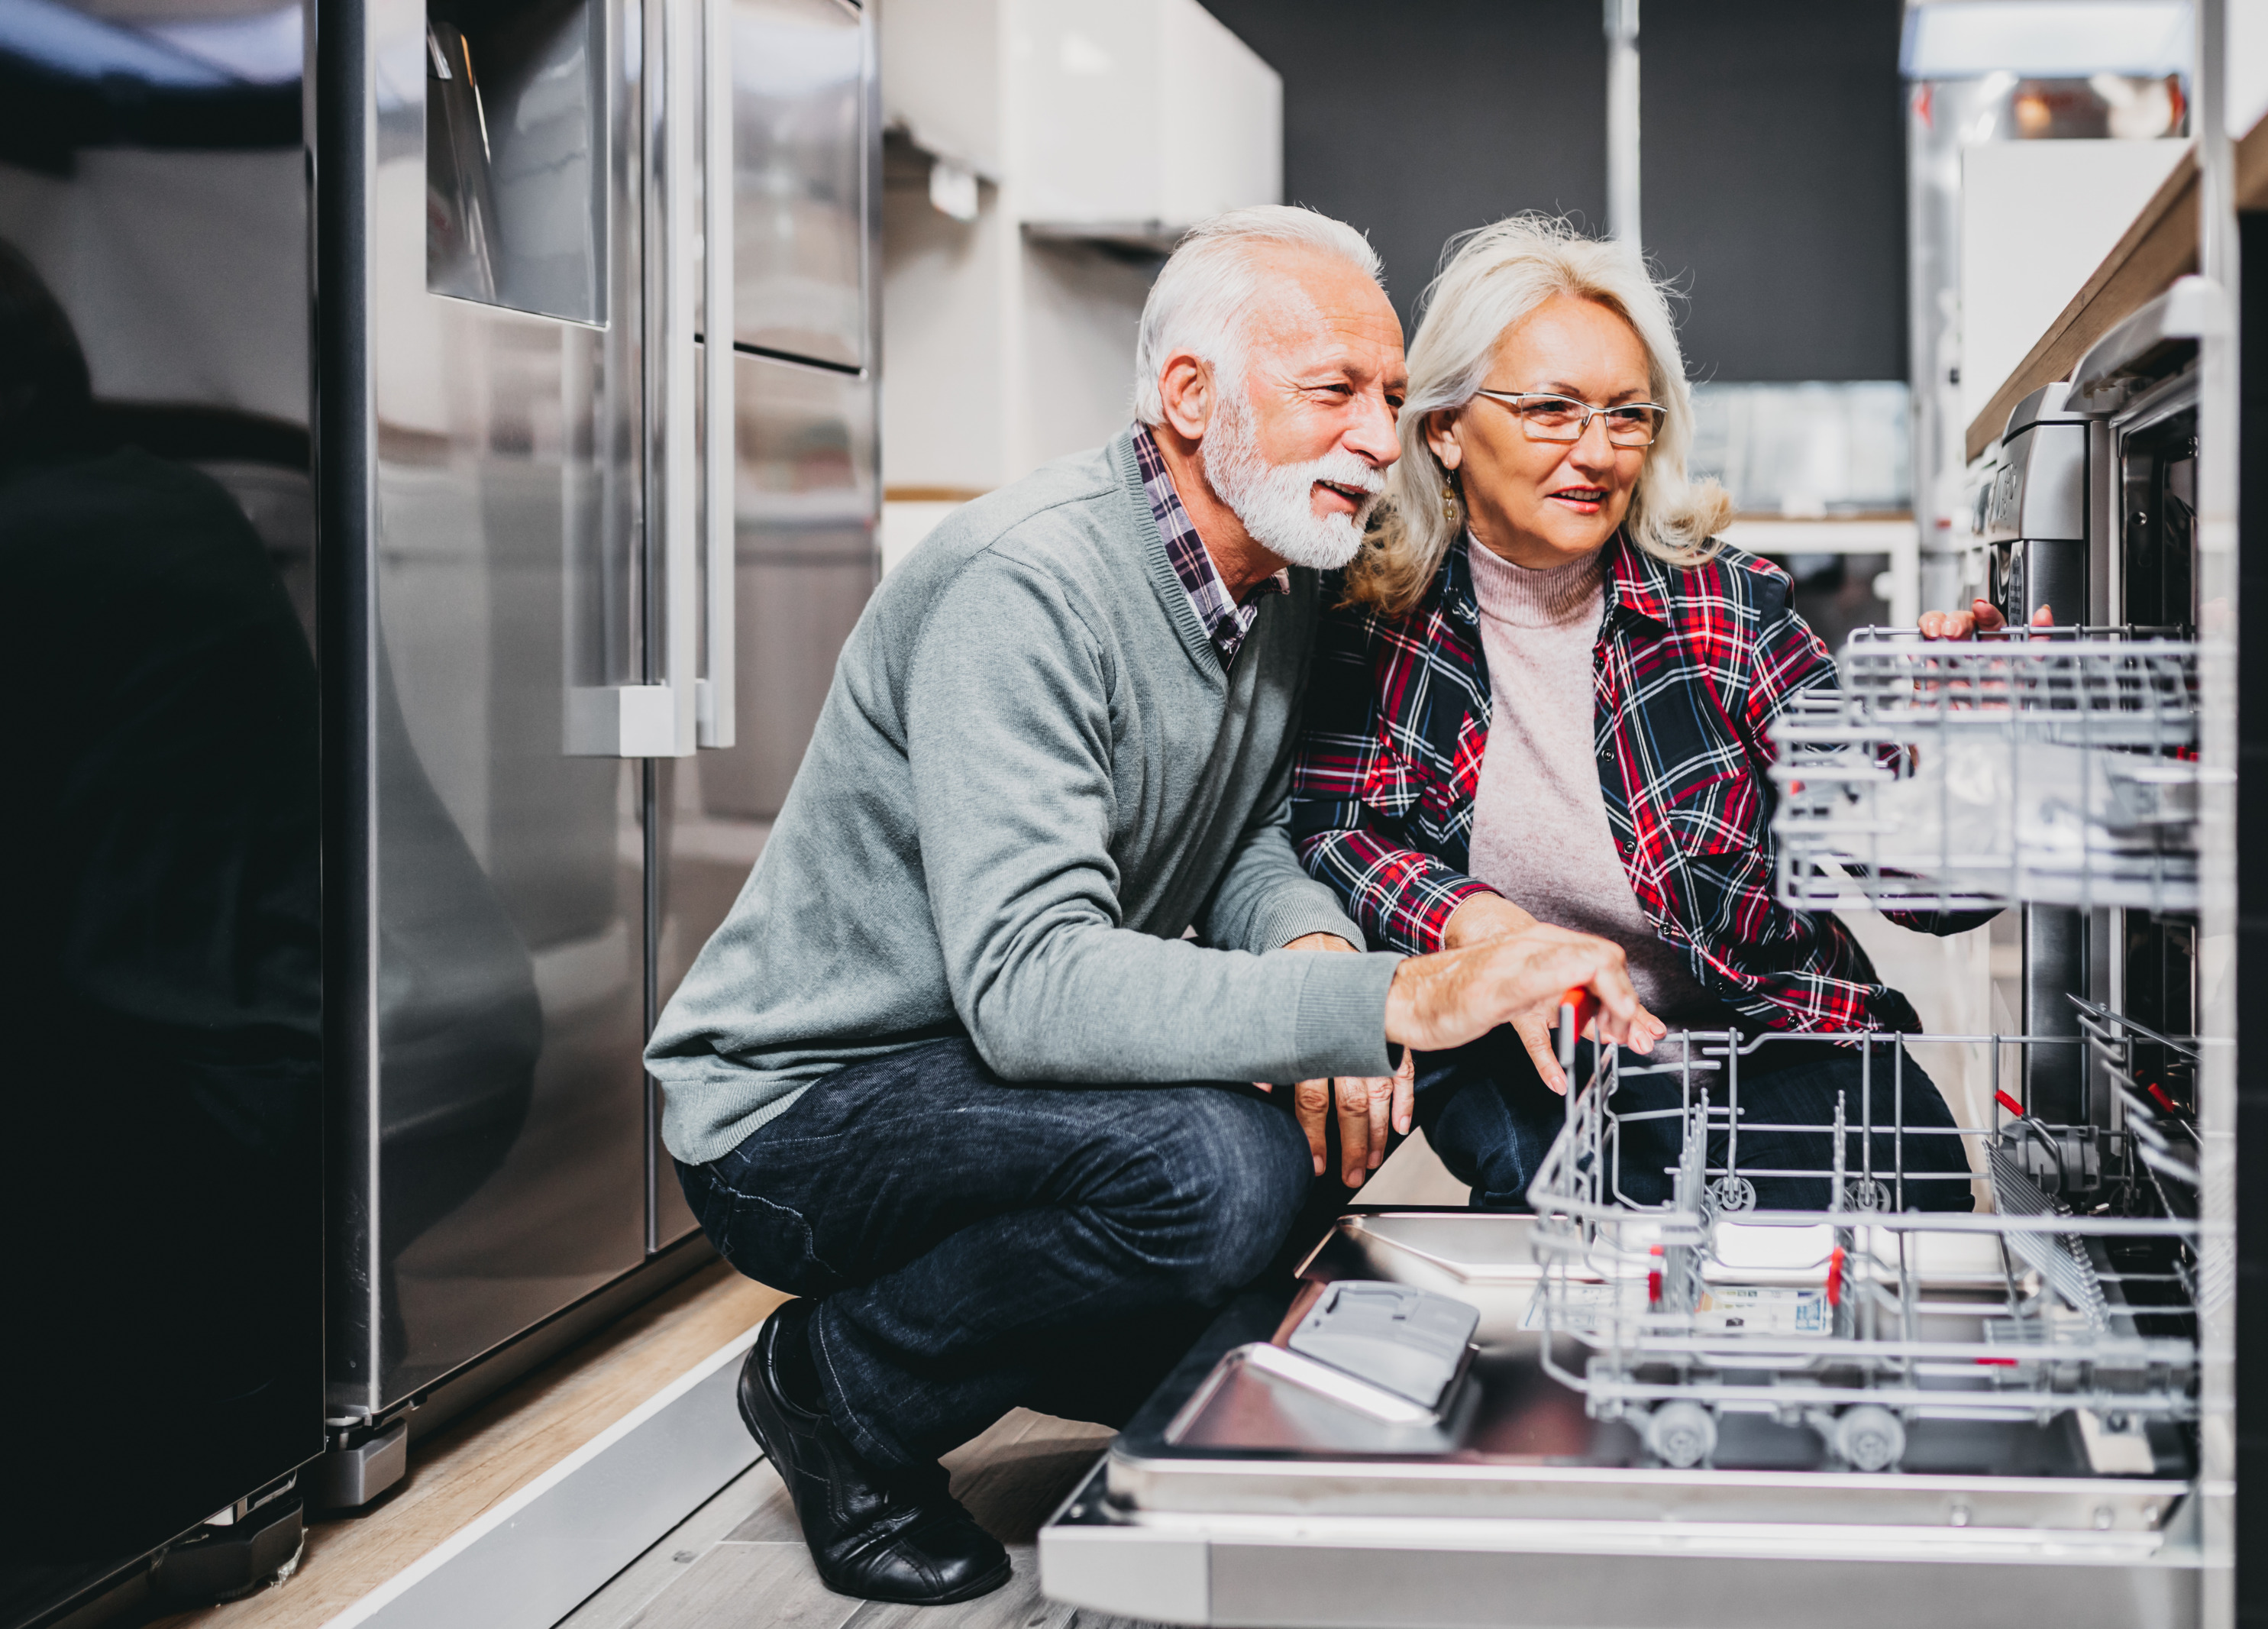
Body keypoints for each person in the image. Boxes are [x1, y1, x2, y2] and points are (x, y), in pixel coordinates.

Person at [645, 206, 1662, 1607]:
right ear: (1191, 397)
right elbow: (1031, 981)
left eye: (1385, 394)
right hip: (801, 1105)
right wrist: (1387, 992)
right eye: (1335, 393)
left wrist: (1311, 942)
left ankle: (1109, 1355)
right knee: (1213, 1170)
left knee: (1312, 1126)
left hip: (966, 1074)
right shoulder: (1029, 585)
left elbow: (1241, 835)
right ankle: (839, 1388)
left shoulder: (1275, 566)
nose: (1379, 435)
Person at [1293, 215, 1988, 1215]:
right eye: (1551, 409)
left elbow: (1916, 881)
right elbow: (1332, 836)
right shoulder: (1377, 617)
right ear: (1443, 427)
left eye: (1628, 415)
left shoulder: (1728, 609)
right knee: (1598, 1215)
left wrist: (1961, 756)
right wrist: (1476, 926)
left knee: (1913, 1181)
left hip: (1763, 1035)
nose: (1598, 451)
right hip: (1535, 1054)